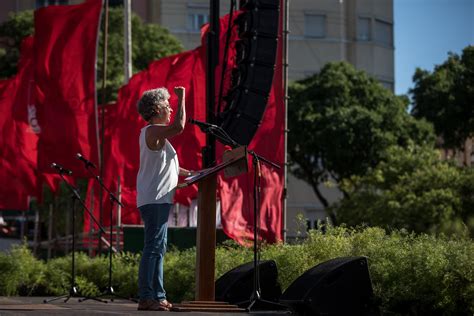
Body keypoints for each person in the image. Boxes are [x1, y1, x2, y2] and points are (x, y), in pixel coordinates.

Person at [135, 86, 194, 311]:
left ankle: (157, 296)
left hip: (158, 198)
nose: (170, 109)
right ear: (157, 108)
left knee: (158, 248)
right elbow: (179, 126)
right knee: (154, 248)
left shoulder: (154, 134)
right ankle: (147, 297)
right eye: (168, 105)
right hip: (155, 199)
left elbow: (170, 166)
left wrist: (194, 173)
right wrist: (182, 97)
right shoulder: (152, 131)